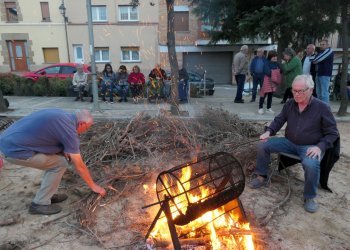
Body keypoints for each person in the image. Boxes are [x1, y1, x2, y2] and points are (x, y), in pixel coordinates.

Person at [249, 75, 339, 213]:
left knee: (310, 164)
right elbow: (279, 120)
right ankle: (262, 176)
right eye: (294, 91)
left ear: (311, 90)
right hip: (289, 142)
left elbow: (333, 133)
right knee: (263, 145)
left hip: (310, 147)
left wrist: (320, 147)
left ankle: (309, 196)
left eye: (300, 91)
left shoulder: (322, 107)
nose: (296, 94)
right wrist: (269, 131)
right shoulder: (290, 104)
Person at [0, 109, 106, 215]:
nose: (85, 131)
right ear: (82, 123)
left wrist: (62, 149)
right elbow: (79, 166)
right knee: (60, 164)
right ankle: (39, 204)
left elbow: (50, 134)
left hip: (7, 141)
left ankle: (47, 194)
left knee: (57, 159)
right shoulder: (69, 129)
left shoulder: (64, 116)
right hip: (14, 151)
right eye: (86, 128)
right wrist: (93, 186)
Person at [258, 50, 281, 115]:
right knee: (264, 94)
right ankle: (260, 108)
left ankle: (268, 108)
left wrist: (276, 71)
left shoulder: (276, 63)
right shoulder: (266, 63)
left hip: (273, 81)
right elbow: (267, 72)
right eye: (273, 56)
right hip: (266, 80)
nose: (275, 58)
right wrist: (275, 72)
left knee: (270, 95)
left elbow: (281, 70)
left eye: (276, 56)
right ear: (270, 57)